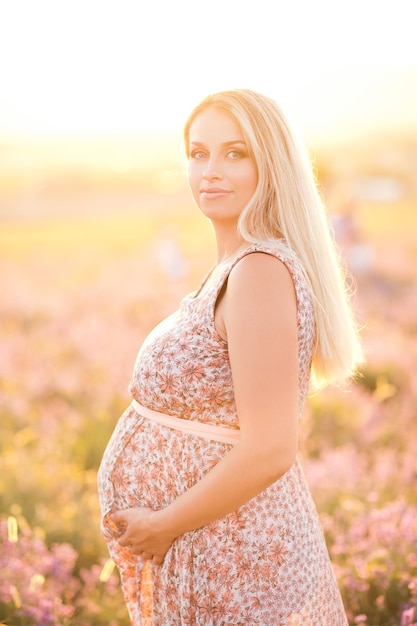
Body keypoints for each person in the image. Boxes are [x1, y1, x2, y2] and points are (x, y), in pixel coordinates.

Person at [98, 88, 363, 625]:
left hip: (234, 555)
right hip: (216, 546)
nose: (211, 171)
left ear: (272, 164)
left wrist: (166, 523)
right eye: (198, 153)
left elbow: (271, 448)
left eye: (235, 153)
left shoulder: (260, 272)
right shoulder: (239, 267)